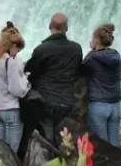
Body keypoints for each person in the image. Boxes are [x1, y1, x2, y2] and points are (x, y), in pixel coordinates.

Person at [25, 13, 83, 147]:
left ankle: (50, 165)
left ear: (50, 26)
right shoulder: (76, 49)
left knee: (47, 140)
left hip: (46, 101)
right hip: (68, 102)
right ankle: (65, 165)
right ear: (66, 28)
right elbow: (77, 70)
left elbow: (29, 71)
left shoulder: (42, 49)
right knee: (66, 141)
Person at [0, 23, 29, 150]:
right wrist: (26, 80)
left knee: (2, 151)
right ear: (13, 45)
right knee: (12, 152)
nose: (16, 54)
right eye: (17, 50)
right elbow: (17, 90)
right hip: (12, 110)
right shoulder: (10, 62)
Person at [82, 23, 121, 146]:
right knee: (114, 146)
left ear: (96, 39)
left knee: (101, 147)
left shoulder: (92, 57)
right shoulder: (116, 55)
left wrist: (92, 50)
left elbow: (80, 71)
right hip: (115, 105)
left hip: (98, 106)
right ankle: (117, 165)